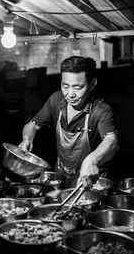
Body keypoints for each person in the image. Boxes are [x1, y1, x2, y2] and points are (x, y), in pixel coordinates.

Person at [19, 56, 119, 188]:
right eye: (65, 86)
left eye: (77, 87)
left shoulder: (101, 110)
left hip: (90, 183)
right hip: (60, 178)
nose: (70, 94)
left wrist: (92, 159)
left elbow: (112, 141)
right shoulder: (56, 100)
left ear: (92, 84)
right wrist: (27, 139)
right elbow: (32, 125)